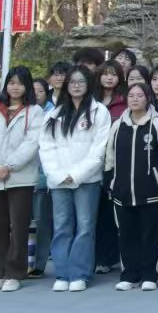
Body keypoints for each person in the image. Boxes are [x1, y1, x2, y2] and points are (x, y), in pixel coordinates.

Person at [38, 67, 111, 292]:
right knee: (62, 226)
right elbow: (46, 147)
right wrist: (58, 174)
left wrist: (76, 174)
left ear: (89, 84)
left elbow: (99, 149)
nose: (76, 86)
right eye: (72, 82)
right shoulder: (55, 113)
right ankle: (63, 273)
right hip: (58, 180)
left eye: (81, 81)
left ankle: (79, 273)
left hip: (87, 180)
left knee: (85, 226)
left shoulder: (99, 112)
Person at [0, 66, 42, 292]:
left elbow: (32, 143)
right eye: (11, 82)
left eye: (20, 83)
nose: (15, 87)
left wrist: (9, 165)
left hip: (20, 177)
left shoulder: (34, 112)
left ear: (27, 86)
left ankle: (14, 273)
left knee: (19, 226)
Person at [104, 80, 158, 291]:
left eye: (140, 96)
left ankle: (151, 275)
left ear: (148, 98)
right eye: (131, 96)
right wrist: (111, 183)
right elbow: (109, 157)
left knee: (151, 235)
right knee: (126, 235)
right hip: (122, 191)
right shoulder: (118, 125)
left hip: (152, 191)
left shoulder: (157, 124)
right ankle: (129, 275)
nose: (135, 99)